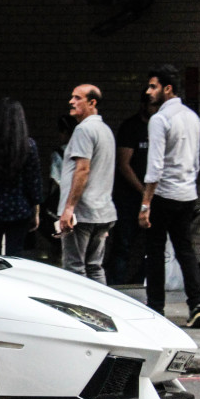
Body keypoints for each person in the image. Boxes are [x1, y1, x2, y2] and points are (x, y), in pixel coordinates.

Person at [139, 65, 200, 328]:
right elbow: (194, 160)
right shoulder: (193, 118)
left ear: (168, 89)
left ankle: (156, 307)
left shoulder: (159, 119)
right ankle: (197, 304)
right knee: (185, 250)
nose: (148, 91)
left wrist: (145, 203)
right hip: (187, 194)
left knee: (155, 252)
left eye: (153, 86)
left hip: (164, 195)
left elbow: (155, 167)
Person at [57, 84, 117, 283]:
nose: (71, 102)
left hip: (81, 213)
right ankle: (102, 309)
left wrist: (69, 208)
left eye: (77, 98)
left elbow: (82, 169)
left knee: (75, 269)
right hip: (103, 211)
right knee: (94, 266)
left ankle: (79, 313)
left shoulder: (83, 130)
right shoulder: (105, 130)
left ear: (92, 103)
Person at [0, 98, 42, 257]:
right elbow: (34, 181)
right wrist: (36, 210)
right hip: (19, 209)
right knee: (15, 255)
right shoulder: (28, 146)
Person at [106, 94, 155, 285]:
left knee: (151, 245)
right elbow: (124, 164)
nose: (155, 109)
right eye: (152, 105)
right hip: (128, 197)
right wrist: (144, 191)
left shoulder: (159, 126)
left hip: (150, 197)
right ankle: (117, 283)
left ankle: (140, 280)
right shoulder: (131, 127)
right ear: (143, 104)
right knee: (123, 243)